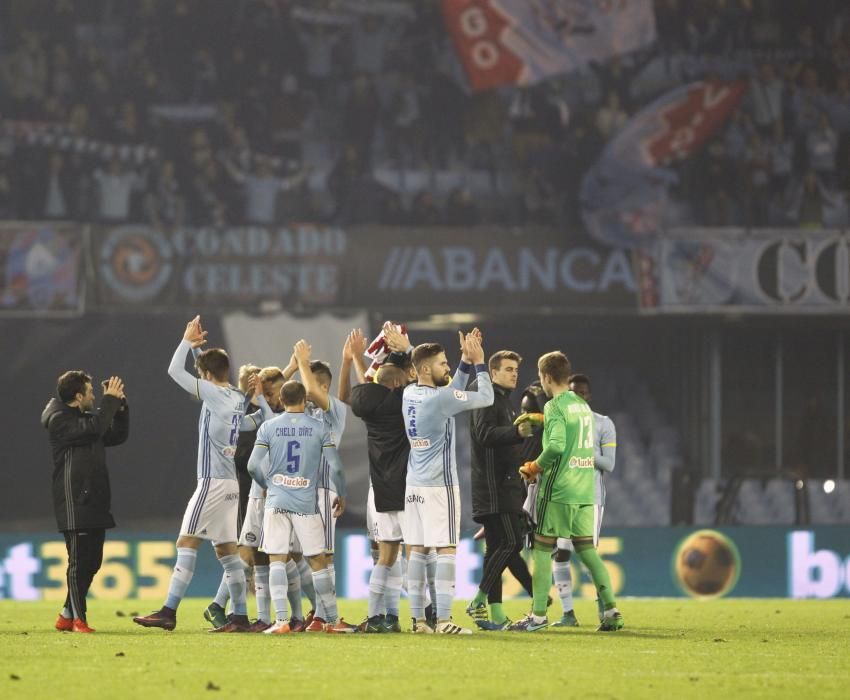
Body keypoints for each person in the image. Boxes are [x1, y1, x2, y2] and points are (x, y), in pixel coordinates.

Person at [133, 316, 272, 632]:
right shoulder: (237, 398)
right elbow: (262, 418)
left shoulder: (212, 394)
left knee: (186, 542)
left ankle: (168, 611)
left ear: (209, 377)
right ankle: (238, 616)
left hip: (211, 483)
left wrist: (185, 341)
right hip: (231, 487)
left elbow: (173, 371)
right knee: (226, 552)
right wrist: (259, 396)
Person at [511, 351, 623, 632]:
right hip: (586, 491)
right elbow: (573, 438)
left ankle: (537, 616)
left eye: (540, 377)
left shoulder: (555, 405)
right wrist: (540, 420)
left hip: (559, 489)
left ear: (546, 377)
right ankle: (611, 611)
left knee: (541, 548)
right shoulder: (582, 406)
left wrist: (535, 466)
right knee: (587, 550)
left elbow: (558, 445)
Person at [402, 331, 494, 634]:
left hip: (414, 484)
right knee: (446, 550)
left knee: (417, 550)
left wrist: (464, 362)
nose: (448, 367)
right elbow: (485, 397)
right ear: (426, 369)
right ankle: (443, 620)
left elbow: (450, 389)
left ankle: (418, 621)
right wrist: (479, 363)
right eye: (443, 363)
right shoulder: (440, 399)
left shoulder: (410, 393)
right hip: (439, 486)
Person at [248, 380, 355, 633]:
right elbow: (337, 467)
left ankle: (282, 621)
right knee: (318, 561)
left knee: (277, 559)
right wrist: (342, 493)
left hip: (277, 500)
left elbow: (253, 466)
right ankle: (331, 621)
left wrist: (267, 484)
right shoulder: (319, 427)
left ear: (282, 401)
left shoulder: (268, 427)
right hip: (306, 503)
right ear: (305, 400)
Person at [42, 372, 129, 633]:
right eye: (90, 391)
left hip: (94, 501)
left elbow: (115, 435)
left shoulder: (85, 420)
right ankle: (79, 620)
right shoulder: (59, 420)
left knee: (93, 561)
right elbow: (97, 428)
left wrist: (121, 406)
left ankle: (67, 613)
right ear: (78, 396)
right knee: (79, 562)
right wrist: (110, 402)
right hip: (74, 501)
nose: (94, 395)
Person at [349, 325, 415, 633]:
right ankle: (422, 616)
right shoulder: (405, 403)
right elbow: (421, 383)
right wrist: (407, 350)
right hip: (409, 488)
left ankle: (378, 617)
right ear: (399, 385)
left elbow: (367, 385)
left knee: (386, 557)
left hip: (381, 488)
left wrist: (355, 359)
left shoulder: (367, 404)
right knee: (414, 554)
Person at [466, 350, 536, 631]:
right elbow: (483, 435)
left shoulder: (505, 401)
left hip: (504, 484)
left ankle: (495, 614)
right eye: (508, 369)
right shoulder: (486, 396)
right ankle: (479, 599)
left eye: (516, 369)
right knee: (512, 543)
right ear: (492, 373)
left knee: (496, 547)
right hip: (493, 486)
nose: (514, 374)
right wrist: (516, 433)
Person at [550, 373, 617, 627]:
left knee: (589, 555)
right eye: (573, 392)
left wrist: (580, 452)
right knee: (561, 554)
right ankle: (568, 614)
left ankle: (606, 610)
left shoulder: (603, 424)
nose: (578, 396)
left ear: (589, 396)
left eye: (583, 393)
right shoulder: (560, 422)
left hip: (591, 498)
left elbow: (608, 464)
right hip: (564, 497)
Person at [293, 338, 348, 627]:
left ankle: (328, 617)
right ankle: (321, 613)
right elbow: (282, 394)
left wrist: (302, 361)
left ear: (324, 388)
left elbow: (310, 389)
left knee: (324, 555)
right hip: (299, 492)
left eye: (310, 384)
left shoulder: (336, 410)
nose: (306, 391)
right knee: (306, 556)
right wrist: (293, 366)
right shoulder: (304, 413)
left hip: (324, 491)